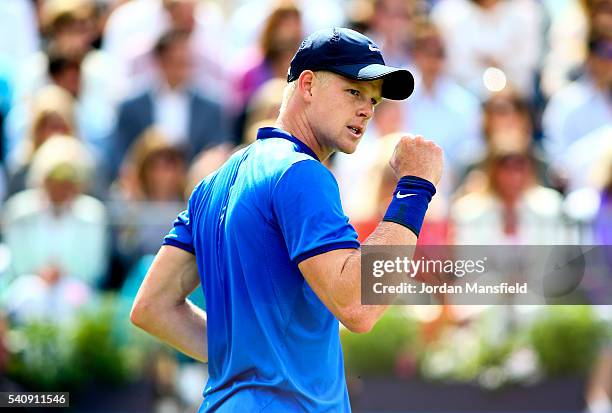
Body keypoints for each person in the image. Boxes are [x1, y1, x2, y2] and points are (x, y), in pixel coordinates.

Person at [131, 28, 443, 412]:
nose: (366, 109)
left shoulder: (213, 183)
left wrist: (249, 361)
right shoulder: (301, 173)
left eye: (374, 101)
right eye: (354, 92)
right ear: (308, 85)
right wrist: (414, 189)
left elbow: (152, 307)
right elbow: (359, 307)